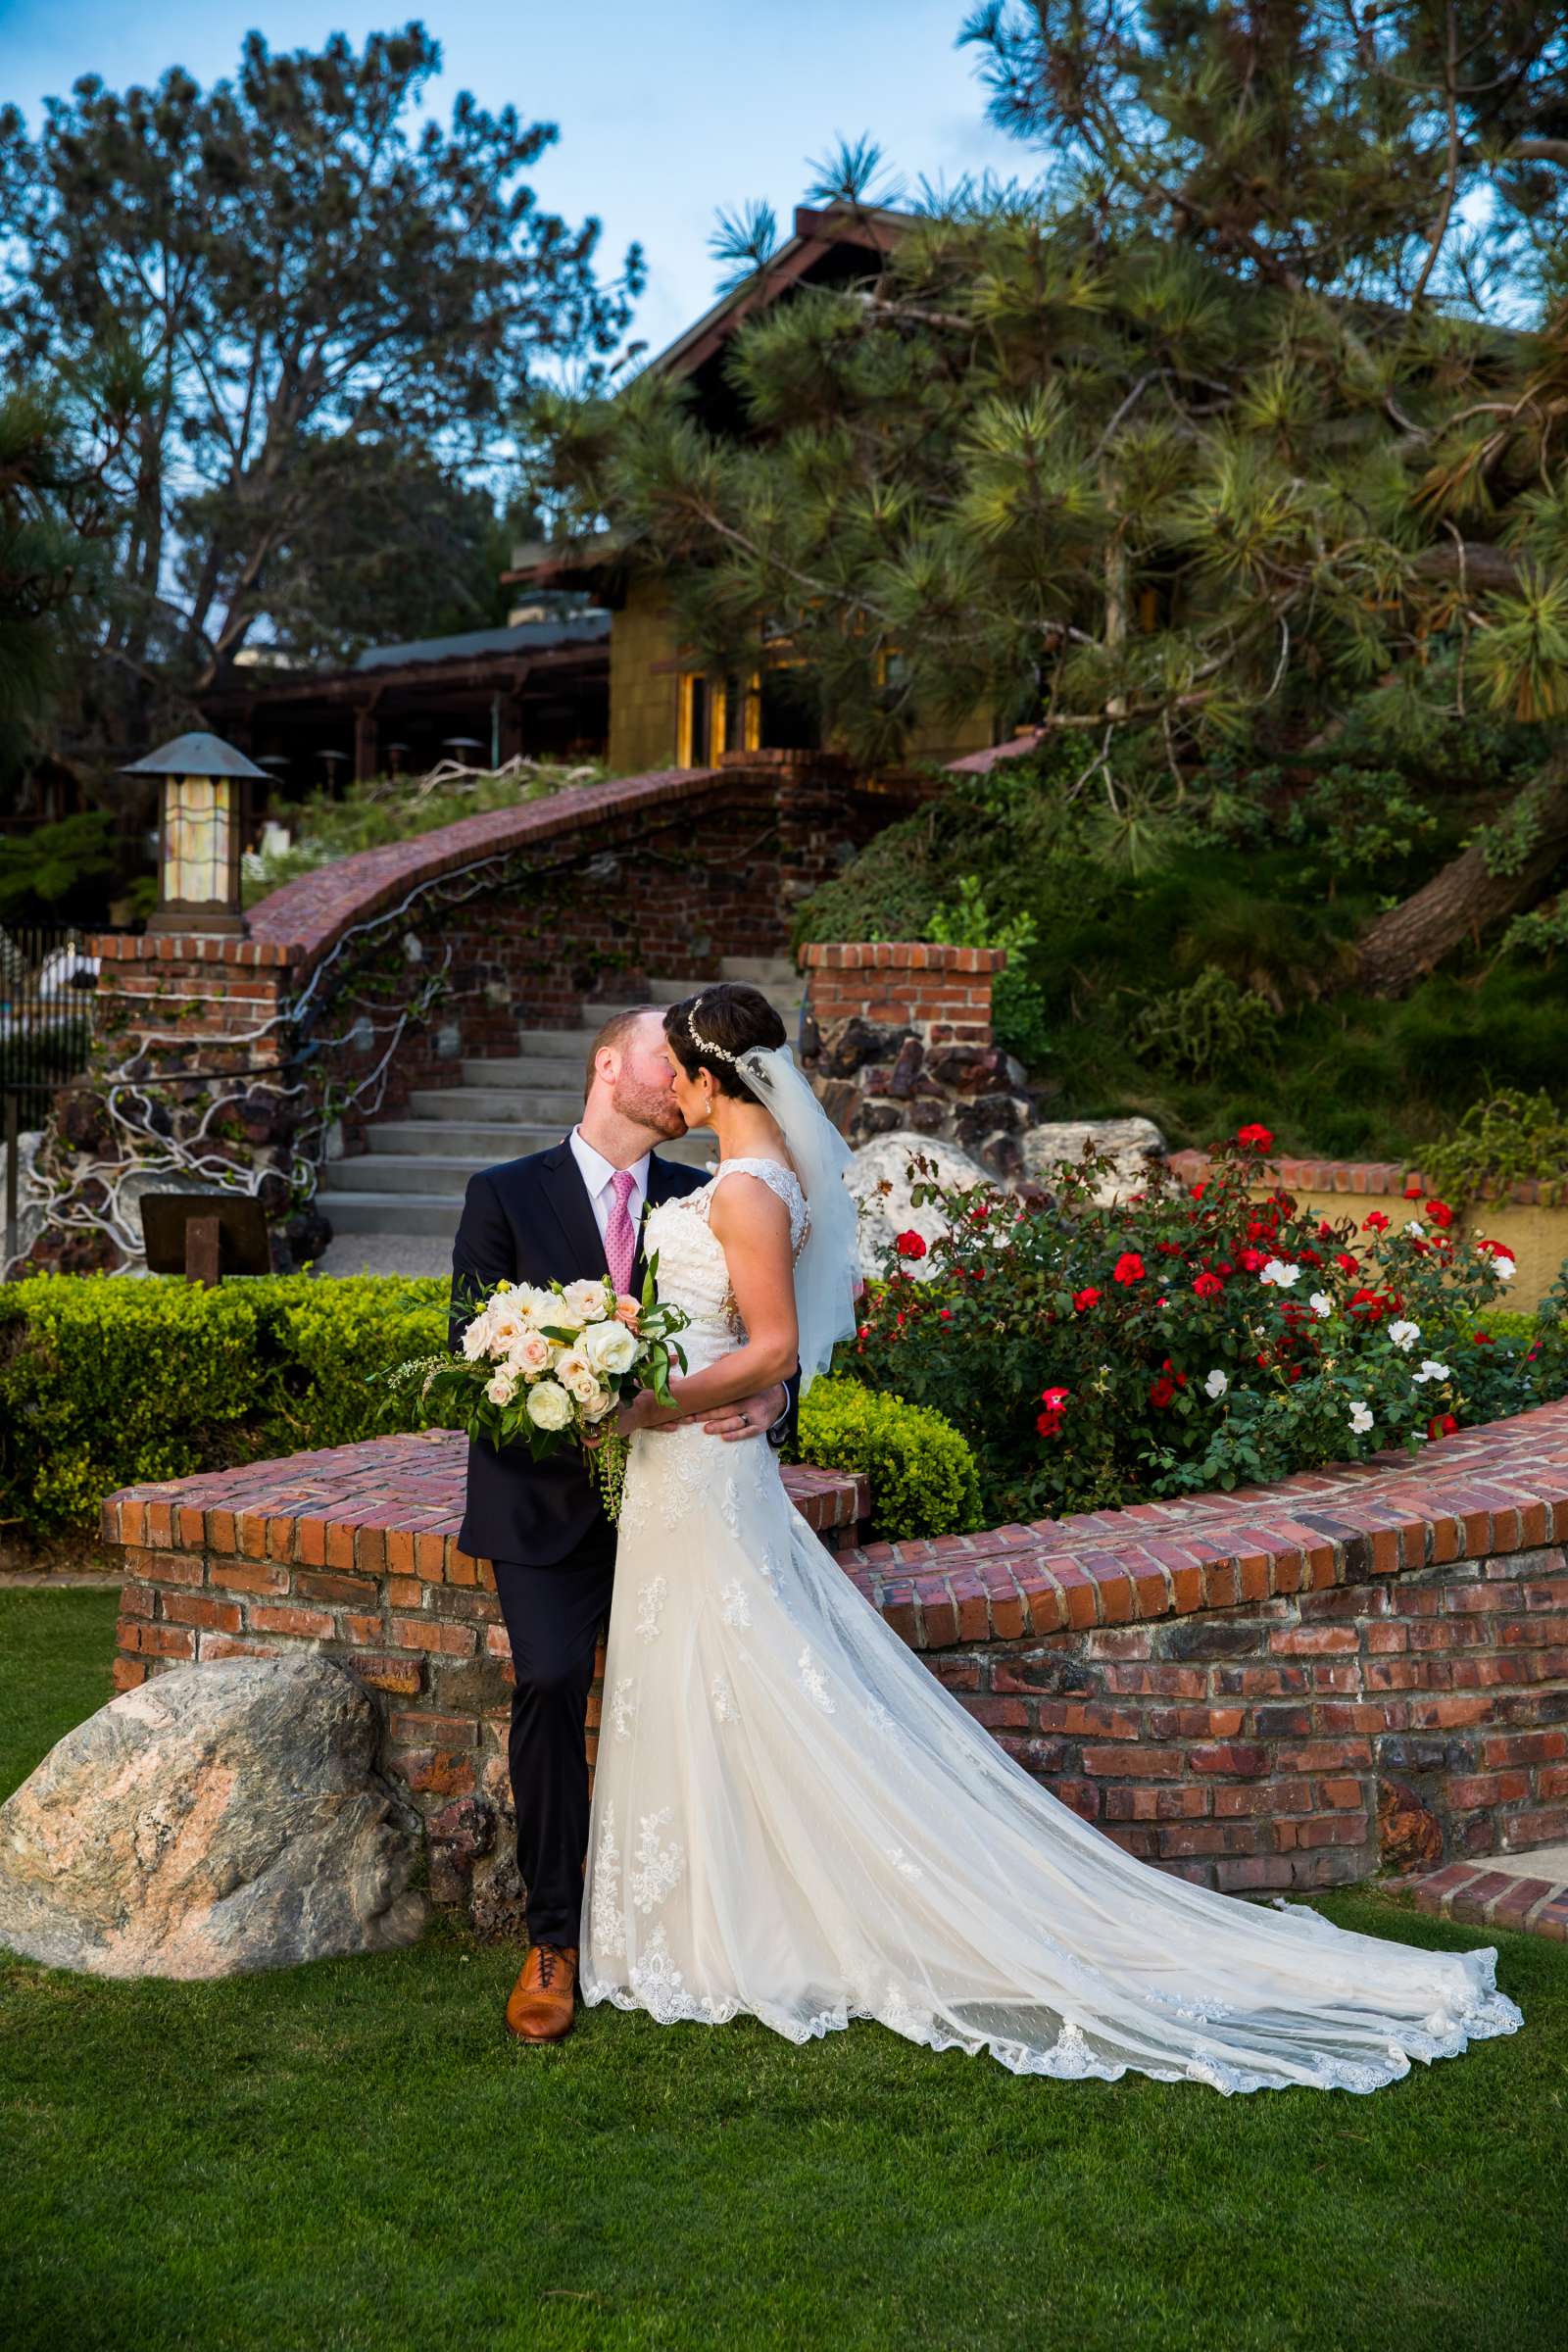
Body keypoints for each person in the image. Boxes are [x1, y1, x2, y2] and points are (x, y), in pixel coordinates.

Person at [580, 982, 1523, 2094]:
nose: (666, 1095)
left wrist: (647, 1401)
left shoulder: (743, 1189)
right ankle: (711, 1913)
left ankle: (752, 1924)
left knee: (743, 1676)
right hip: (693, 1469)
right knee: (710, 1677)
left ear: (705, 1076)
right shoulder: (760, 1173)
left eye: (676, 1076)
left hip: (694, 1462)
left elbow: (774, 1348)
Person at [448, 1004, 793, 2042]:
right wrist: (566, 1385)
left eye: (694, 1062)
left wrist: (775, 1402)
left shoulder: (706, 1194)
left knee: (710, 1695)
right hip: (544, 1503)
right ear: (609, 1065)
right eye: (665, 1055)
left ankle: (713, 1921)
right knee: (551, 1682)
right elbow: (473, 1353)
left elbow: (764, 1337)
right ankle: (552, 1936)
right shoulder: (502, 1193)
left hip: (681, 1498)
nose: (683, 1071)